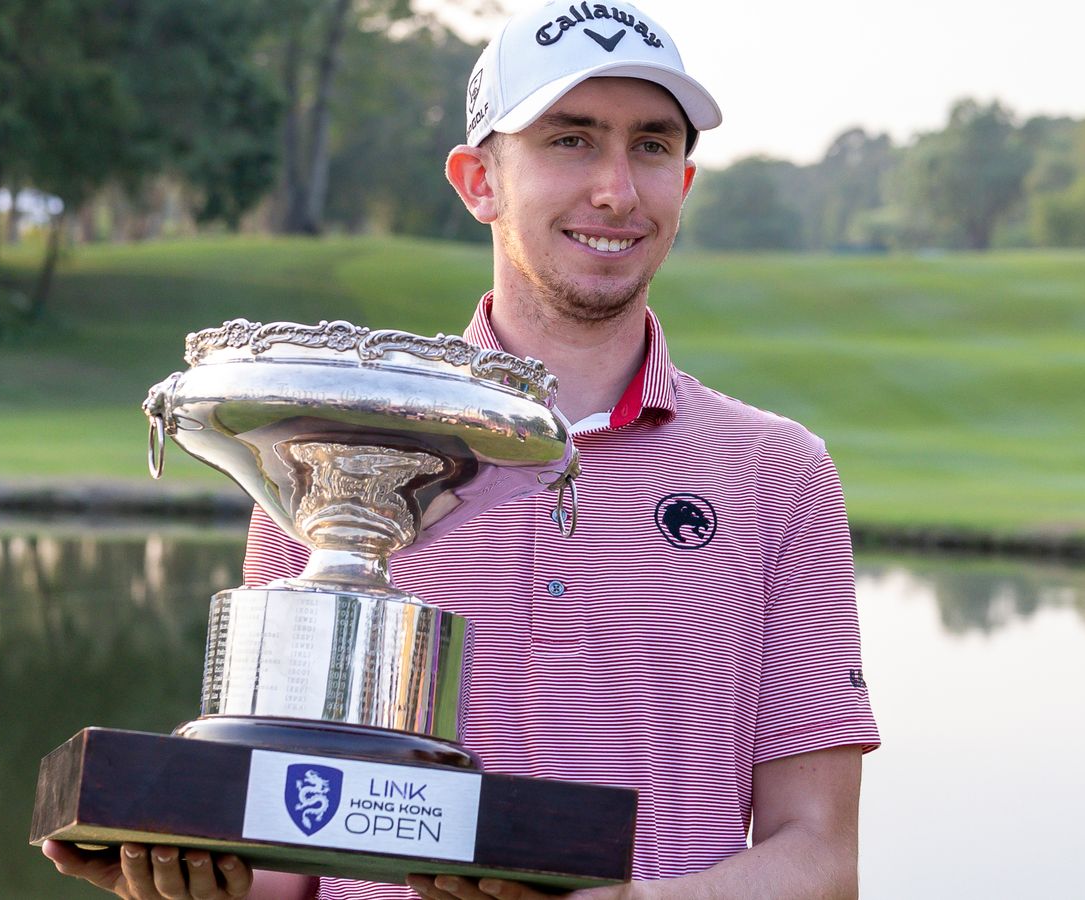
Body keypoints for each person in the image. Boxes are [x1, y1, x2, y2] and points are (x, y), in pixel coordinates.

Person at [45, 1, 879, 897]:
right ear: (478, 179)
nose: (617, 190)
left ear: (684, 179)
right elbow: (287, 855)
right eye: (570, 139)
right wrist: (198, 873)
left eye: (651, 145)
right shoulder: (333, 448)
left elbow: (822, 858)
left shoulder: (777, 473)